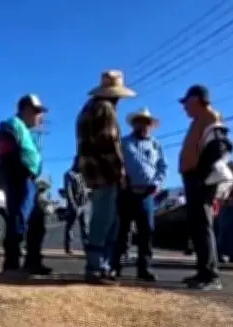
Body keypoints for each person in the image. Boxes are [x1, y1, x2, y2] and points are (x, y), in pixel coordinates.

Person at [76, 70, 135, 283]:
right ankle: (97, 267)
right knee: (105, 220)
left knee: (101, 218)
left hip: (92, 171)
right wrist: (121, 172)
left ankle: (99, 266)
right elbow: (110, 143)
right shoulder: (106, 109)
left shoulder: (87, 109)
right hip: (106, 172)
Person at [177, 84, 233, 290]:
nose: (184, 108)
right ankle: (203, 272)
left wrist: (201, 176)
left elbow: (219, 149)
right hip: (195, 178)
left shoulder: (211, 118)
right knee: (197, 227)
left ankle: (211, 275)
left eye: (186, 103)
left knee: (203, 226)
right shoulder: (200, 120)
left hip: (201, 180)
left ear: (195, 100)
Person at [0, 94, 51, 274]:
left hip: (28, 179)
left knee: (37, 219)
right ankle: (11, 262)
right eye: (37, 112)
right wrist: (22, 173)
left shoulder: (24, 130)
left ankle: (32, 261)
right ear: (26, 110)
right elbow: (7, 156)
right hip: (19, 178)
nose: (40, 116)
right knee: (19, 218)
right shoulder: (11, 127)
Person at [110, 107, 167, 281]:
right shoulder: (123, 142)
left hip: (147, 194)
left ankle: (144, 268)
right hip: (127, 192)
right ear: (134, 124)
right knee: (122, 230)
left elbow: (162, 167)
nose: (144, 126)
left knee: (146, 231)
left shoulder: (156, 144)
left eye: (147, 123)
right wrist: (121, 178)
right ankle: (114, 266)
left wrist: (157, 183)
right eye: (141, 122)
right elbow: (116, 163)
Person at [62, 156, 89, 255]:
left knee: (85, 227)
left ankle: (87, 248)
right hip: (74, 204)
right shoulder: (69, 174)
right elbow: (68, 191)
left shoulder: (83, 175)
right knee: (70, 226)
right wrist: (73, 204)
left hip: (84, 204)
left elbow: (87, 188)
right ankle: (68, 247)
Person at [218, 185, 233, 263]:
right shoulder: (227, 180)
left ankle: (232, 255)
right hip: (226, 208)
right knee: (223, 232)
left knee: (232, 234)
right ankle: (219, 254)